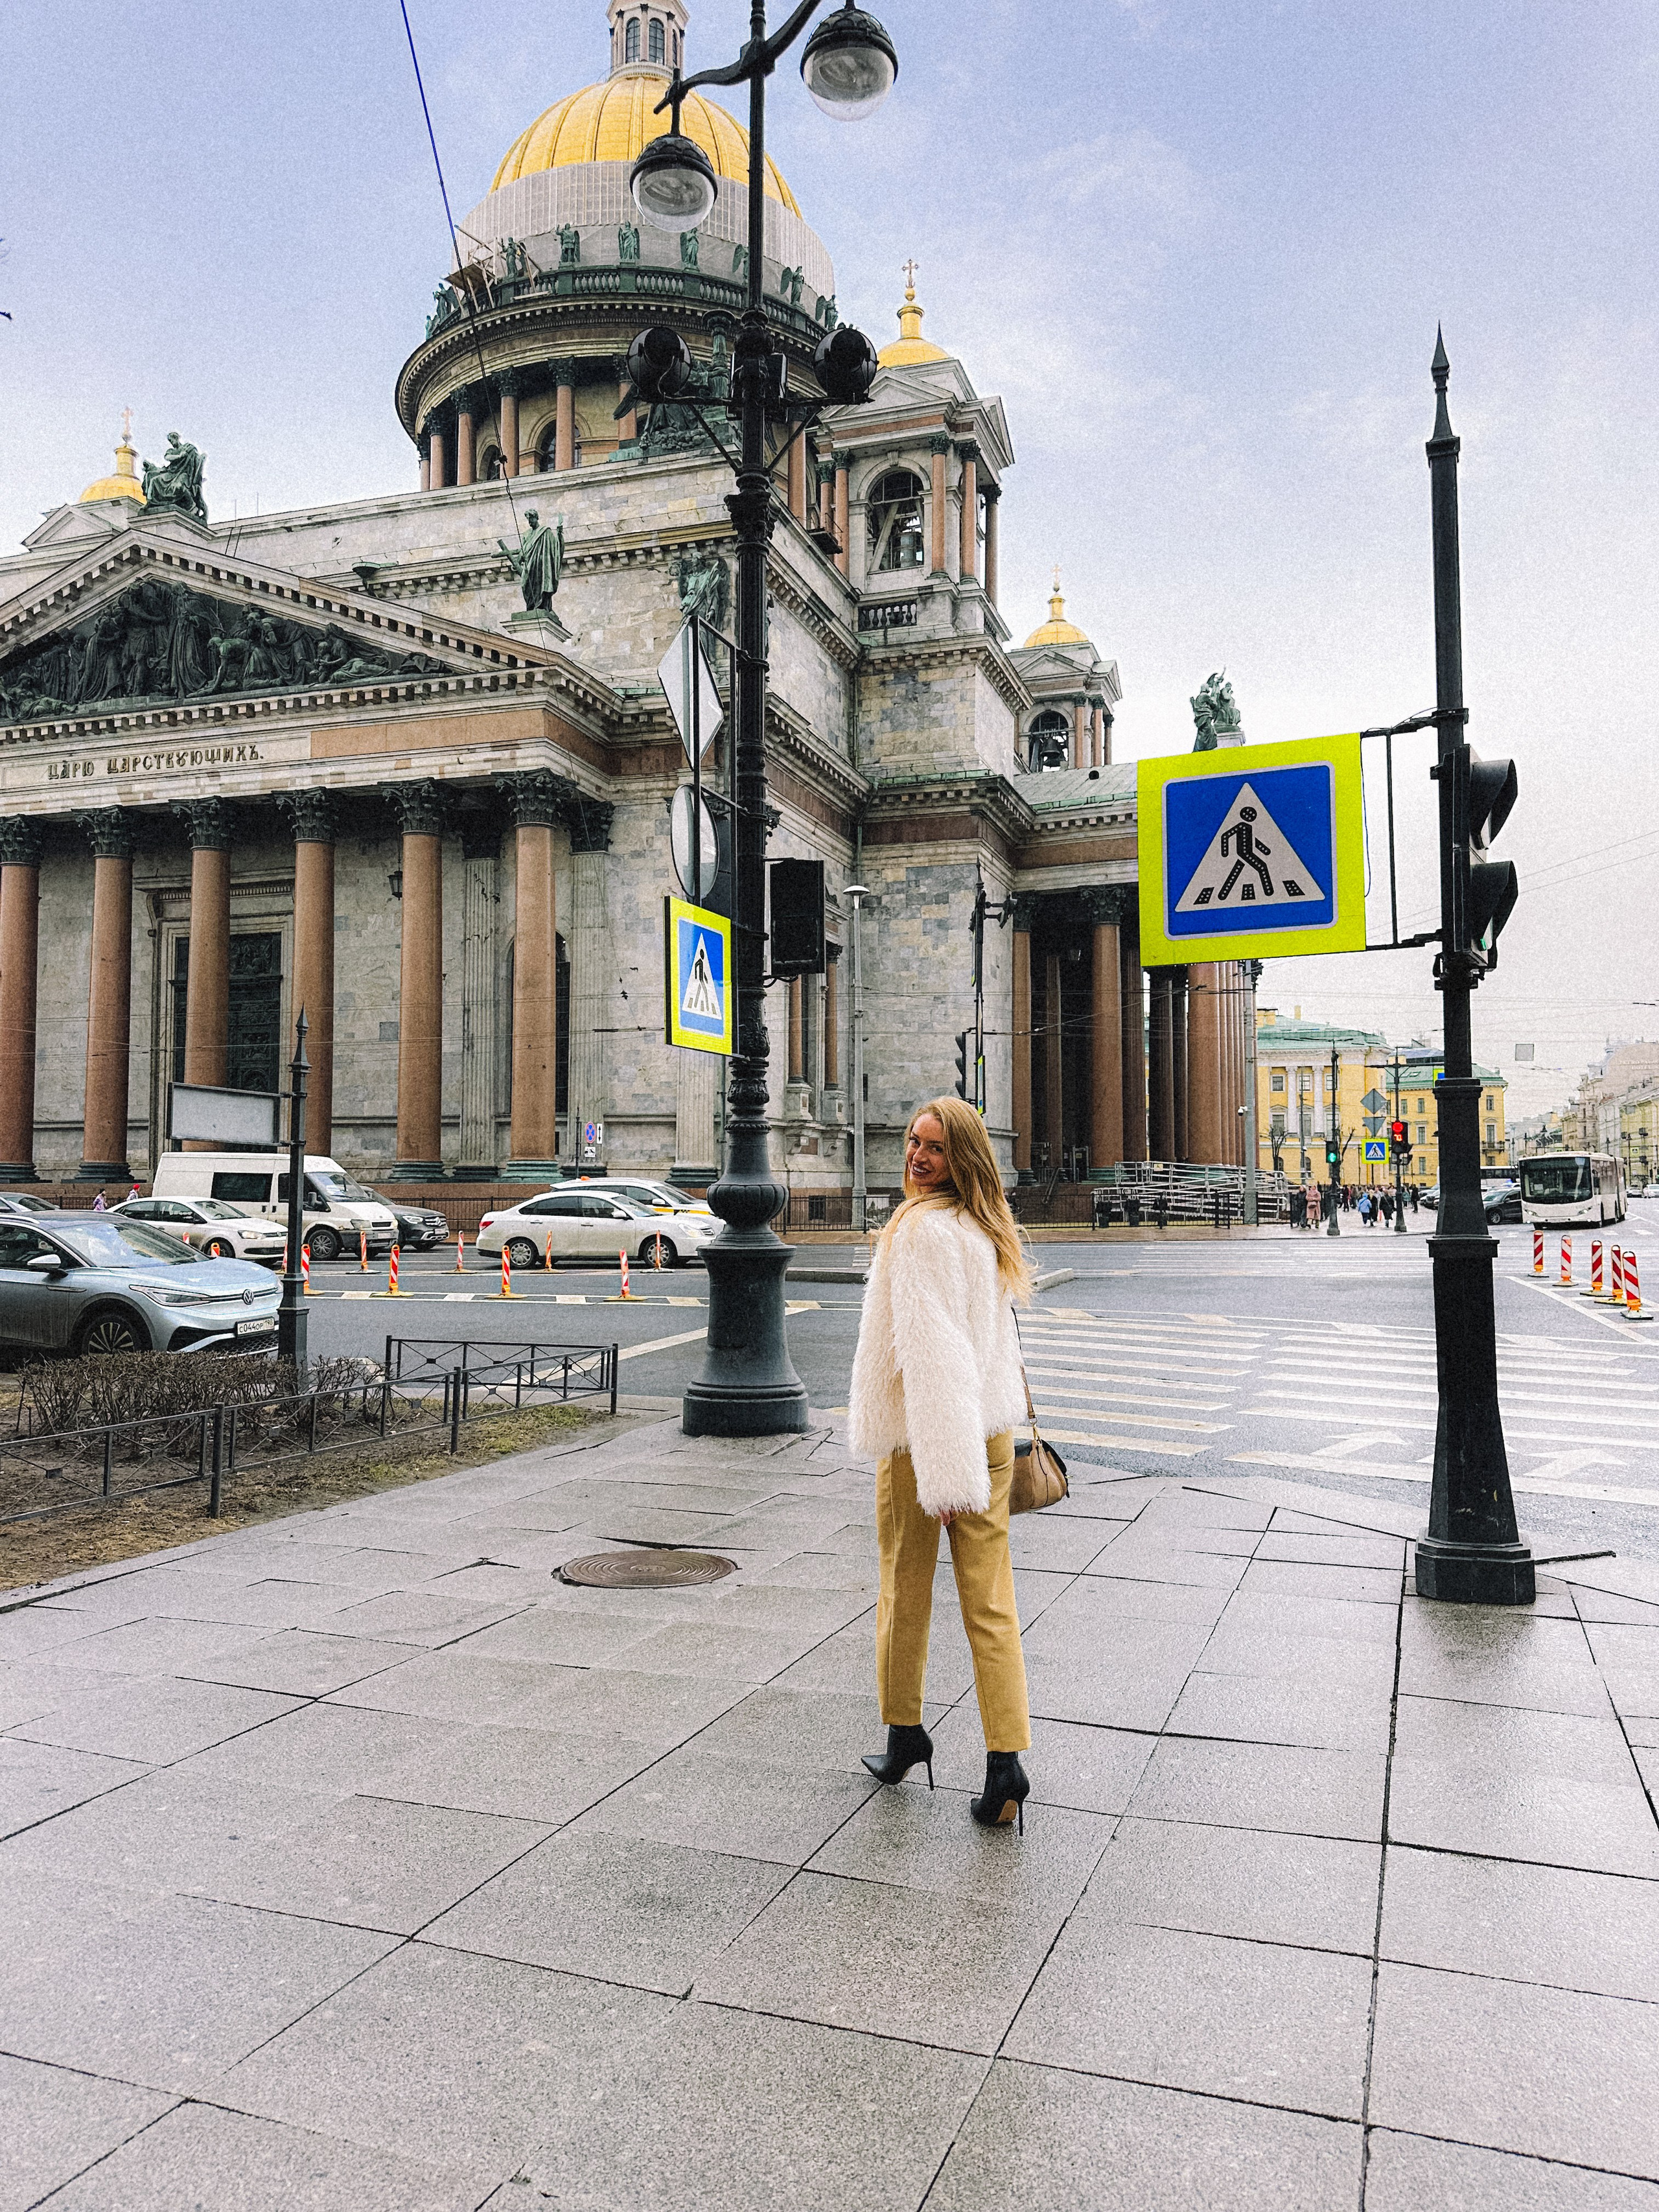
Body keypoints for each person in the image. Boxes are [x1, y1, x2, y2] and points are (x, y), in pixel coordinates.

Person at [849, 1097, 1034, 1834]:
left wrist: (945, 1473)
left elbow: (936, 1359)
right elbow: (992, 1345)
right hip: (983, 1434)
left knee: (903, 1587)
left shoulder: (920, 1229)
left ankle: (904, 1733)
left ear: (961, 1156)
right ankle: (1004, 1760)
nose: (916, 1158)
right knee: (991, 1606)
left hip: (927, 1443)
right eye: (912, 1144)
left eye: (932, 1147)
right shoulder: (982, 1225)